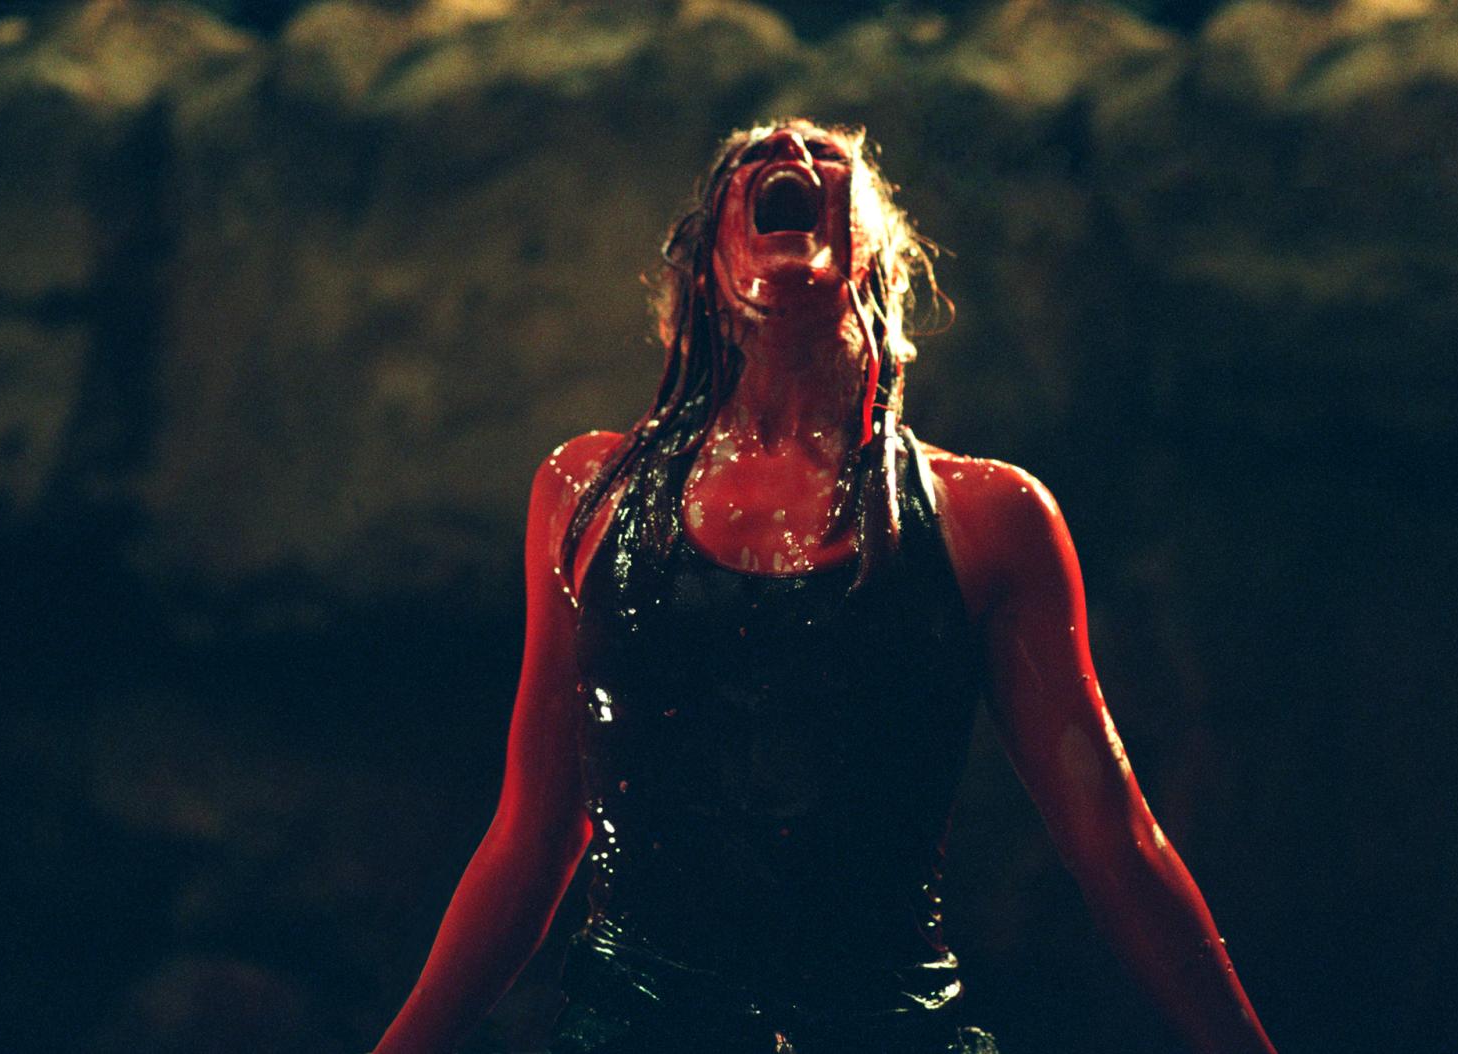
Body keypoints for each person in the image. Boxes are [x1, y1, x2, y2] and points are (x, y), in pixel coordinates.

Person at [373, 120, 1277, 1054]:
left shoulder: (991, 518)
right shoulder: (586, 494)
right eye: (749, 160)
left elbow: (1116, 841)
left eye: (829, 159)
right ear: (703, 264)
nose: (790, 153)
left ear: (877, 255)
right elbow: (531, 839)